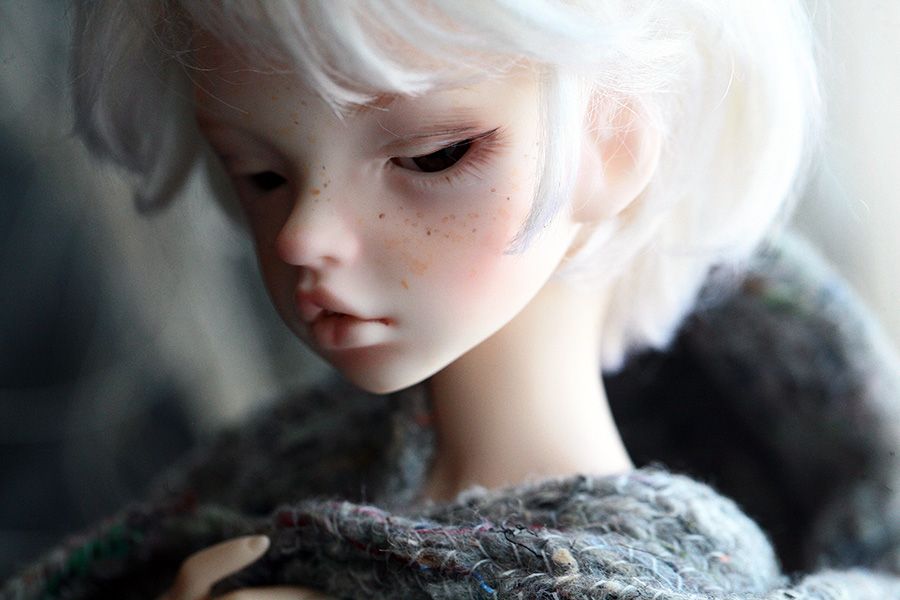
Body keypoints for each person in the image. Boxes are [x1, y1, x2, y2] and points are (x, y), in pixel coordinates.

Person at [3, 1, 899, 598]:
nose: (302, 236)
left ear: (614, 141)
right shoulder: (279, 471)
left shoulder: (655, 568)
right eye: (262, 173)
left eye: (433, 157)